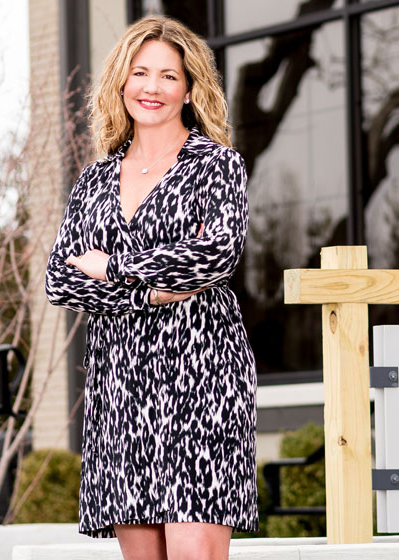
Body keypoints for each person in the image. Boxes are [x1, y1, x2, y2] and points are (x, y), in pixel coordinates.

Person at [44, 16, 257, 560]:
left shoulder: (217, 166)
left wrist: (112, 268)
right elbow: (60, 279)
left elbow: (213, 258)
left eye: (168, 76)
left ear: (189, 89)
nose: (153, 87)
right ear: (122, 83)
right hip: (120, 386)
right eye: (141, 73)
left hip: (201, 380)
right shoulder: (94, 180)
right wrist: (155, 286)